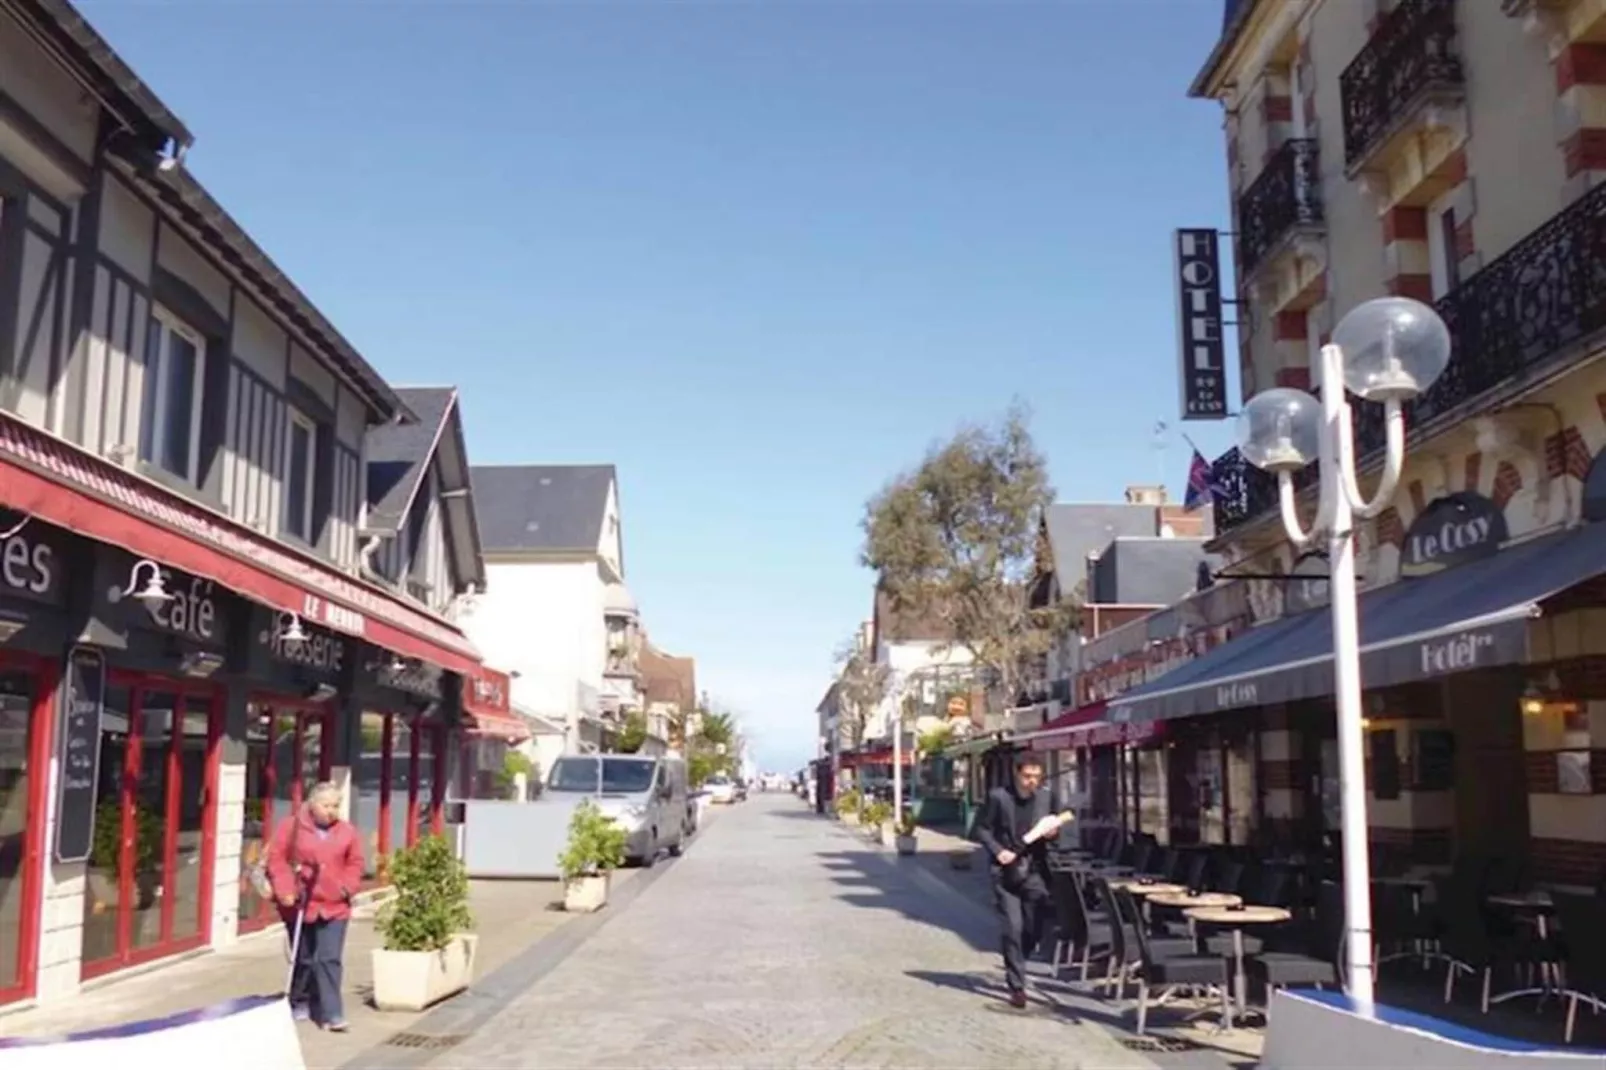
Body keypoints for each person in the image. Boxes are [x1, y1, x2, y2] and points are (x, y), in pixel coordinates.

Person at [267, 780, 365, 1031]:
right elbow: (277, 859)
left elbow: (356, 862)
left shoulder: (347, 831)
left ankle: (332, 1014)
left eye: (336, 805)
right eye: (326, 805)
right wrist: (285, 889)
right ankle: (299, 1000)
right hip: (301, 903)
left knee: (329, 958)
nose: (331, 810)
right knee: (305, 959)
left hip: (335, 905)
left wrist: (347, 887)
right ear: (312, 805)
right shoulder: (292, 827)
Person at [973, 753, 1069, 1008]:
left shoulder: (1047, 797)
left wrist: (1052, 833)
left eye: (1036, 777)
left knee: (1033, 929)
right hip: (1006, 872)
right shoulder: (998, 797)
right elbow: (981, 829)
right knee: (1012, 928)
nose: (1032, 782)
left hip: (1036, 872)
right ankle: (1017, 986)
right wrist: (997, 851)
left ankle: (1016, 959)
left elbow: (1056, 830)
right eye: (1027, 776)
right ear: (1016, 774)